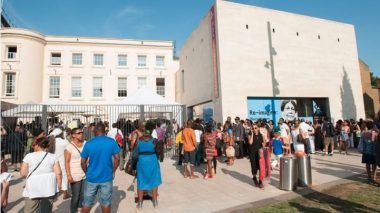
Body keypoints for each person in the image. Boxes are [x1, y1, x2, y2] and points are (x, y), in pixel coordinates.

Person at [80, 123, 120, 213]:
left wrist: (86, 172)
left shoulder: (89, 143)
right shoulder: (111, 142)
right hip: (106, 177)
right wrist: (113, 171)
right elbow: (117, 159)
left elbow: (83, 162)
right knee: (106, 202)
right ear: (104, 130)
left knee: (87, 202)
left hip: (91, 178)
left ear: (95, 131)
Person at [20, 137, 62, 213]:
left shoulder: (29, 156)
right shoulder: (53, 156)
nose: (33, 147)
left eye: (34, 145)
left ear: (38, 145)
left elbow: (23, 173)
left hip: (33, 185)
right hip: (48, 186)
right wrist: (59, 186)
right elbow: (58, 173)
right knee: (46, 209)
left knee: (30, 209)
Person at [136, 121, 162, 210]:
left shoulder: (139, 140)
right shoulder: (154, 141)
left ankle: (140, 203)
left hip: (142, 162)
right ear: (151, 131)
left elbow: (135, 151)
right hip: (152, 161)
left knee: (141, 181)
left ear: (144, 130)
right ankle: (155, 201)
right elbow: (159, 152)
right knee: (154, 180)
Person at [64, 128, 86, 213]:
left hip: (84, 172)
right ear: (73, 135)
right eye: (79, 133)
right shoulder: (69, 147)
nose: (81, 134)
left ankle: (79, 210)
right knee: (76, 196)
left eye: (82, 132)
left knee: (83, 195)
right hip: (74, 173)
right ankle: (73, 211)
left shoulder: (85, 144)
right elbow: (66, 162)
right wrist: (68, 175)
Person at [51, 128, 70, 200]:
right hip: (62, 161)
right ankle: (65, 193)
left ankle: (54, 192)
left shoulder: (51, 141)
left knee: (54, 177)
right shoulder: (65, 142)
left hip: (53, 162)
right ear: (61, 134)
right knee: (64, 177)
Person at [248, 124, 264, 188]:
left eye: (255, 128)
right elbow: (250, 142)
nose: (254, 129)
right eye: (253, 128)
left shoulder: (261, 135)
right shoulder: (250, 135)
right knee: (254, 167)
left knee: (260, 167)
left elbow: (263, 144)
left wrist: (264, 142)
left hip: (259, 153)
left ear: (258, 128)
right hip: (253, 153)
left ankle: (260, 181)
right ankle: (254, 177)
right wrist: (252, 134)